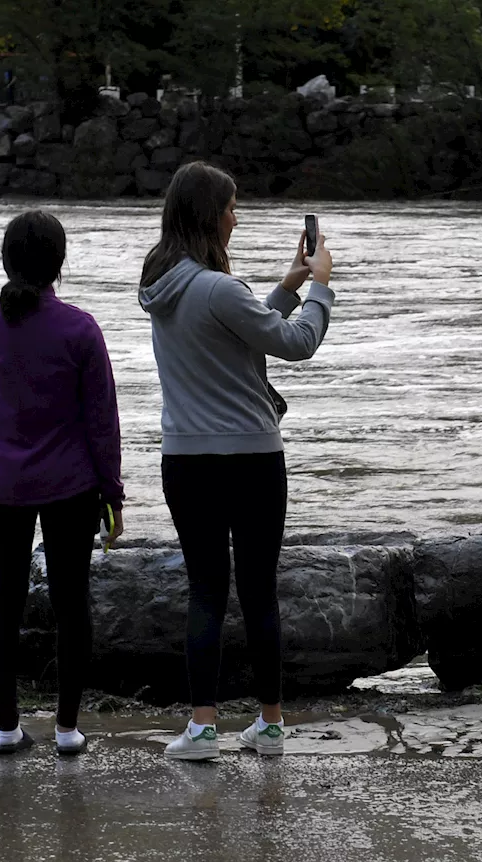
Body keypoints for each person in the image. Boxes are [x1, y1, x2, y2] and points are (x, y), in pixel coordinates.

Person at [138, 162, 335, 762]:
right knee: (258, 592)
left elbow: (237, 329)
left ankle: (201, 730)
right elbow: (296, 343)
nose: (236, 216)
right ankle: (270, 725)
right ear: (208, 215)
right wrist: (321, 287)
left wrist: (287, 286)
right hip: (251, 457)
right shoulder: (220, 289)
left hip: (187, 460)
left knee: (205, 591)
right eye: (230, 207)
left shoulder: (162, 286)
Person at [0, 210, 125, 757]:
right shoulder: (81, 329)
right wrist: (113, 492)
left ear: (7, 261)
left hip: (2, 483)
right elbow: (103, 419)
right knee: (69, 601)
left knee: (3, 600)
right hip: (71, 484)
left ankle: (7, 729)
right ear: (60, 265)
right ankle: (66, 730)